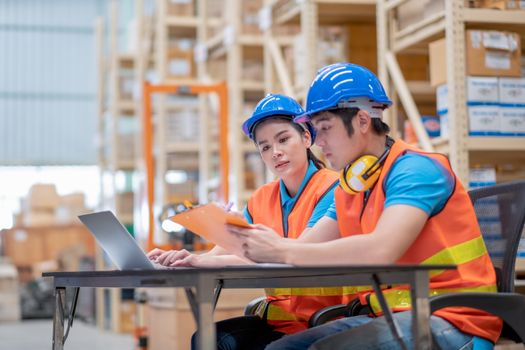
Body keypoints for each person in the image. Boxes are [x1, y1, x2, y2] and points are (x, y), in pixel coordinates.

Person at [227, 63, 502, 350]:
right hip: (390, 315)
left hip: (454, 317)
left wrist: (281, 249)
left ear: (361, 120)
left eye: (325, 129)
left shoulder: (415, 169)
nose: (318, 142)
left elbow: (382, 249)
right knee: (279, 349)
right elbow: (308, 246)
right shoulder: (353, 186)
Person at [148, 93, 359, 349]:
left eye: (283, 139)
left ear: (306, 137)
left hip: (322, 321)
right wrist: (185, 259)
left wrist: (203, 261)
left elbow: (296, 256)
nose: (276, 152)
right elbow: (223, 252)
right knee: (207, 339)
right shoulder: (261, 198)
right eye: (265, 147)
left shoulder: (333, 188)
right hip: (275, 321)